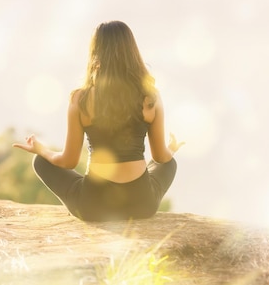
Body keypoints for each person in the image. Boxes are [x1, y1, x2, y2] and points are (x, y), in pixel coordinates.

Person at [13, 21, 183, 222]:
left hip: (94, 207)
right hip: (141, 205)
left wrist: (42, 150)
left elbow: (68, 161)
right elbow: (161, 158)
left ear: (96, 52)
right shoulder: (150, 97)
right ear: (132, 51)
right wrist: (171, 149)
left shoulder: (81, 99)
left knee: (41, 161)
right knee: (169, 162)